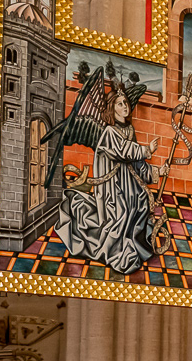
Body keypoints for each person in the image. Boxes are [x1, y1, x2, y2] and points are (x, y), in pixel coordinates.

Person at [54, 83, 169, 275]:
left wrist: (158, 171)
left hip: (129, 186)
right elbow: (124, 151)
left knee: (140, 203)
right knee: (121, 213)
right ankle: (116, 251)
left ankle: (135, 245)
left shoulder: (129, 130)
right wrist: (146, 150)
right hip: (112, 189)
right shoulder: (109, 133)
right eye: (120, 104)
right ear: (111, 108)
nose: (125, 106)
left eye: (126, 103)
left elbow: (136, 163)